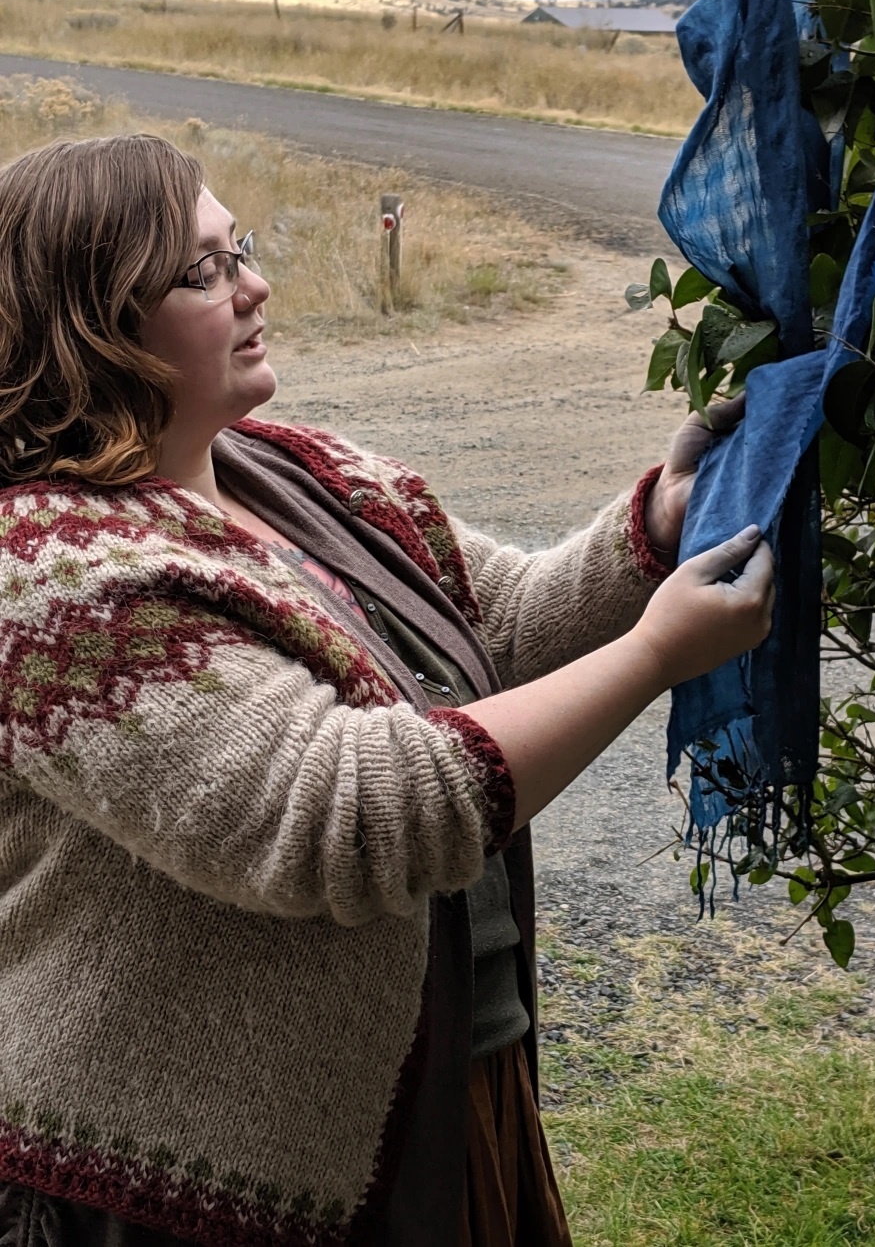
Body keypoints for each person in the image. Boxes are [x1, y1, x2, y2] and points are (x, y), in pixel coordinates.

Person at [0, 133, 774, 1247]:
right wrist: (653, 655)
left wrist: (653, 527)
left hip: (439, 1088)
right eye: (201, 273)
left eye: (241, 248)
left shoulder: (299, 469)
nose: (255, 284)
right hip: (182, 1193)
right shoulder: (50, 577)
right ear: (92, 323)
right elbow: (348, 816)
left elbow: (495, 627)